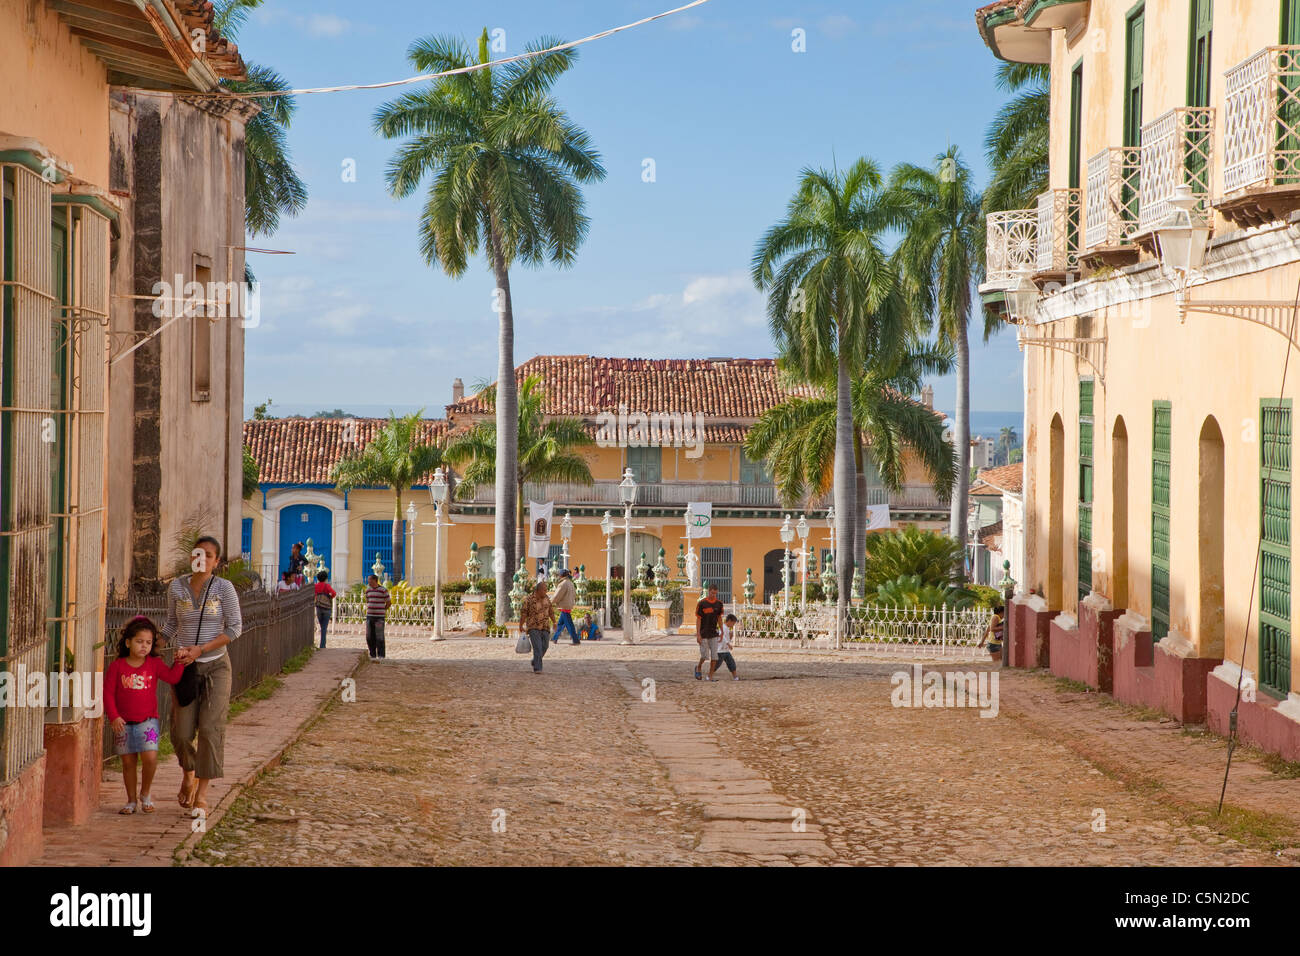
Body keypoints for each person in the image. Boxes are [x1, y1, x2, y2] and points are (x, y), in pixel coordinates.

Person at [163, 534, 242, 814]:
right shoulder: (177, 588)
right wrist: (152, 642)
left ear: (216, 561)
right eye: (199, 553)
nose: (203, 558)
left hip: (217, 665)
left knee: (210, 728)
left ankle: (202, 792)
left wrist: (202, 648)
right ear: (191, 557)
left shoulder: (224, 588)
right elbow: (172, 624)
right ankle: (188, 772)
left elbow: (234, 628)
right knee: (181, 733)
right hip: (186, 668)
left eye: (209, 555)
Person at [105, 615, 188, 815]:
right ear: (128, 642)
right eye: (139, 641)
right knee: (128, 763)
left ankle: (146, 793)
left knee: (150, 758)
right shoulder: (117, 666)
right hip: (123, 723)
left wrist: (180, 662)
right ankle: (131, 800)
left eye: (148, 642)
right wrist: (114, 716)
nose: (144, 646)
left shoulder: (154, 664)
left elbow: (172, 677)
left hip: (148, 721)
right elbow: (107, 693)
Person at [520, 581, 556, 673]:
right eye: (544, 590)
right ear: (538, 590)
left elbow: (551, 611)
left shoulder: (547, 598)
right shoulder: (529, 600)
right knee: (538, 647)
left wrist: (554, 622)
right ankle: (538, 668)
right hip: (533, 627)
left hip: (545, 626)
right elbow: (523, 613)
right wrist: (521, 625)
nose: (546, 591)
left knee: (545, 646)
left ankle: (535, 661)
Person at [694, 582, 724, 681]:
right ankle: (698, 667)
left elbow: (719, 618)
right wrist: (698, 634)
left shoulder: (719, 604)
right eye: (712, 593)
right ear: (708, 592)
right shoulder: (702, 604)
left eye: (715, 593)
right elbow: (698, 619)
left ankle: (710, 676)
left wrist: (722, 631)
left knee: (715, 656)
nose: (713, 595)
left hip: (714, 633)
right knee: (704, 656)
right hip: (703, 634)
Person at [364, 574, 390, 661]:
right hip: (370, 616)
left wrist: (382, 609)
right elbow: (367, 601)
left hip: (379, 617)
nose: (368, 582)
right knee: (369, 636)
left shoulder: (383, 590)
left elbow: (388, 602)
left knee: (379, 637)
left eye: (370, 580)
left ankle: (381, 655)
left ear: (375, 580)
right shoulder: (368, 591)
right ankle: (372, 654)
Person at [550, 569, 579, 645]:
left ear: (561, 575)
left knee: (569, 625)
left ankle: (576, 640)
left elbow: (557, 596)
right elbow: (574, 595)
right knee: (560, 624)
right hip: (568, 605)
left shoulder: (563, 584)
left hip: (564, 606)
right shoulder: (571, 583)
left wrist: (550, 602)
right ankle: (555, 638)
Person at [712, 612, 740, 681]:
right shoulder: (723, 627)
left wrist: (730, 637)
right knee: (716, 665)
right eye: (733, 623)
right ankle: (709, 675)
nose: (733, 625)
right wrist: (728, 644)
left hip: (725, 650)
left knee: (731, 662)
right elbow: (723, 637)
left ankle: (735, 677)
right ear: (729, 621)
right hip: (720, 650)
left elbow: (726, 638)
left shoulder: (727, 628)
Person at [313, 570, 337, 649]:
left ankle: (322, 644)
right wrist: (329, 597)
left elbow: (313, 594)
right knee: (324, 627)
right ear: (326, 578)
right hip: (326, 608)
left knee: (322, 625)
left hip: (319, 607)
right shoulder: (327, 586)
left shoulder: (315, 586)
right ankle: (322, 645)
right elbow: (334, 593)